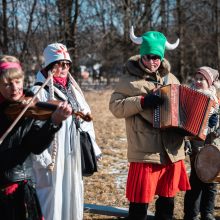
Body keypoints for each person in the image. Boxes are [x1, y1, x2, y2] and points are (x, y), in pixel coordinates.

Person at [109, 26, 191, 220]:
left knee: (166, 205)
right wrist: (142, 102)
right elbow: (115, 107)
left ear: (162, 58)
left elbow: (181, 110)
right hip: (145, 152)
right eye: (148, 57)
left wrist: (185, 136)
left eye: (157, 57)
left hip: (171, 152)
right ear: (141, 56)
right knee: (139, 207)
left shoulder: (171, 78)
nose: (152, 61)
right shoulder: (128, 81)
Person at [31, 43, 101, 220]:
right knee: (52, 198)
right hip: (52, 157)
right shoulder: (39, 91)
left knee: (73, 193)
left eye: (66, 64)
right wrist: (43, 159)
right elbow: (34, 129)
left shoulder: (74, 89)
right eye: (58, 64)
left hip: (72, 152)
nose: (63, 68)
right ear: (48, 66)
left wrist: (92, 147)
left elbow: (86, 118)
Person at [0, 55, 72, 220]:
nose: (14, 87)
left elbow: (35, 146)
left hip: (17, 185)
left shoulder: (31, 107)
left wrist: (54, 122)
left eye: (18, 81)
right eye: (7, 84)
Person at [184, 66, 220, 220]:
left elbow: (218, 128)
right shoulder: (188, 96)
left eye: (202, 79)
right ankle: (191, 214)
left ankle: (208, 213)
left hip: (212, 142)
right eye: (196, 78)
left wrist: (216, 121)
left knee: (211, 180)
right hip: (195, 142)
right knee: (196, 178)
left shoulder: (215, 99)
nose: (198, 81)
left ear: (209, 82)